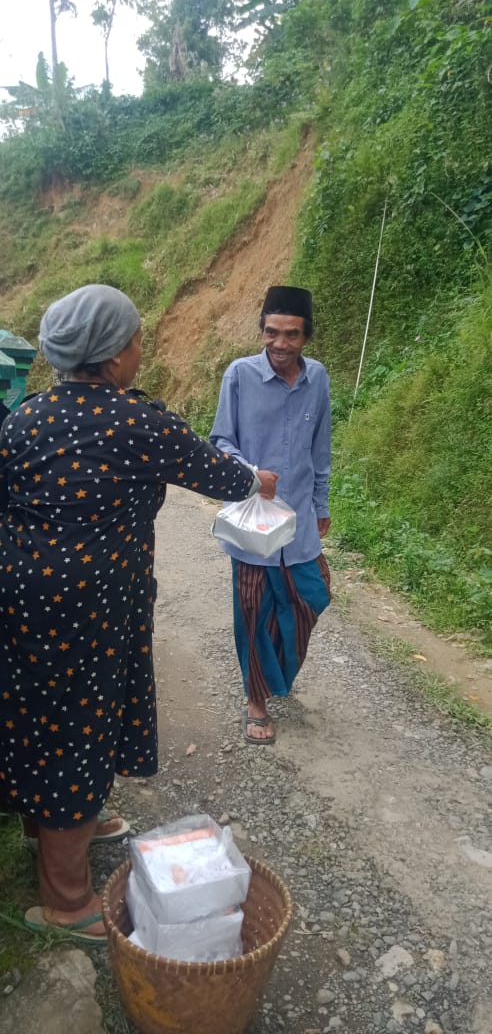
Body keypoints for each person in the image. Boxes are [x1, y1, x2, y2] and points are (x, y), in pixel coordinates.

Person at [0, 284, 277, 942]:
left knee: (44, 713)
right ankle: (65, 901)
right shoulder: (136, 422)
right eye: (137, 338)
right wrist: (261, 481)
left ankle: (64, 822)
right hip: (90, 604)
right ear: (116, 353)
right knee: (76, 728)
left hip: (22, 593)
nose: (141, 348)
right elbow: (226, 477)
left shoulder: (26, 418)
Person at [210, 285, 331, 745]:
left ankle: (274, 677)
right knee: (254, 609)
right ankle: (256, 701)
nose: (280, 344)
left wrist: (321, 505)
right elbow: (221, 440)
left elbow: (321, 448)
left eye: (291, 335)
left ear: (306, 337)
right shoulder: (239, 375)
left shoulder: (317, 378)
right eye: (271, 332)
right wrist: (250, 473)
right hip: (253, 517)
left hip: (298, 518)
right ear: (261, 330)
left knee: (311, 598)